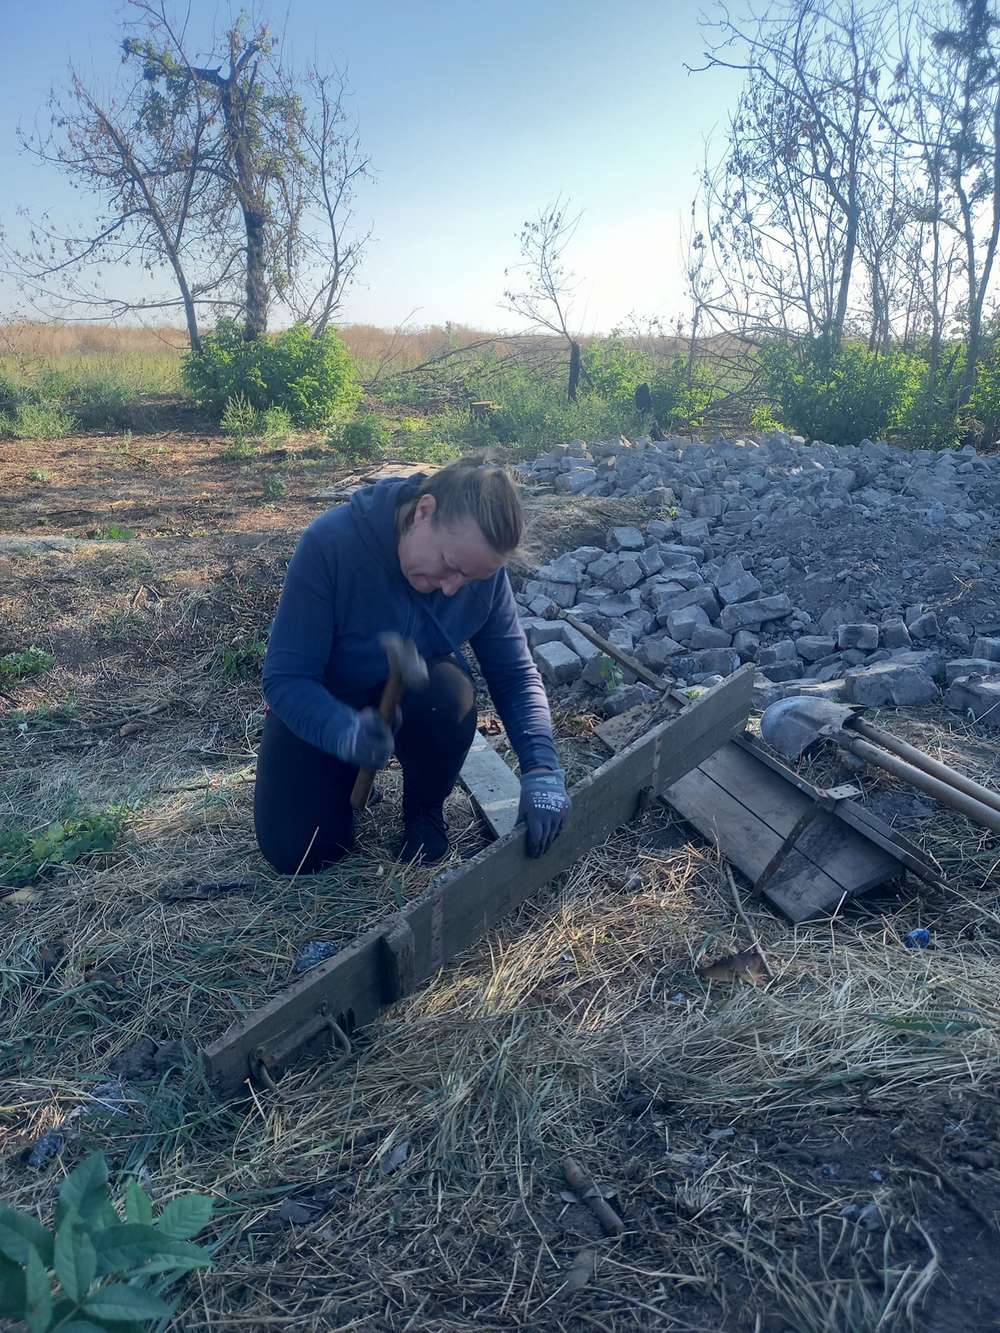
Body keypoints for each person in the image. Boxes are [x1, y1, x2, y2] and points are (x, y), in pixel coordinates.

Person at [254, 456, 571, 872]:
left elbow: (514, 674)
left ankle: (424, 809)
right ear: (423, 511)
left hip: (415, 701)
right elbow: (286, 679)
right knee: (299, 854)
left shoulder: (480, 571)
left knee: (449, 695)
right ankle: (343, 771)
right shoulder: (331, 545)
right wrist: (342, 731)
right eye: (451, 565)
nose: (453, 587)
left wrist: (542, 767)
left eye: (470, 579)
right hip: (327, 704)